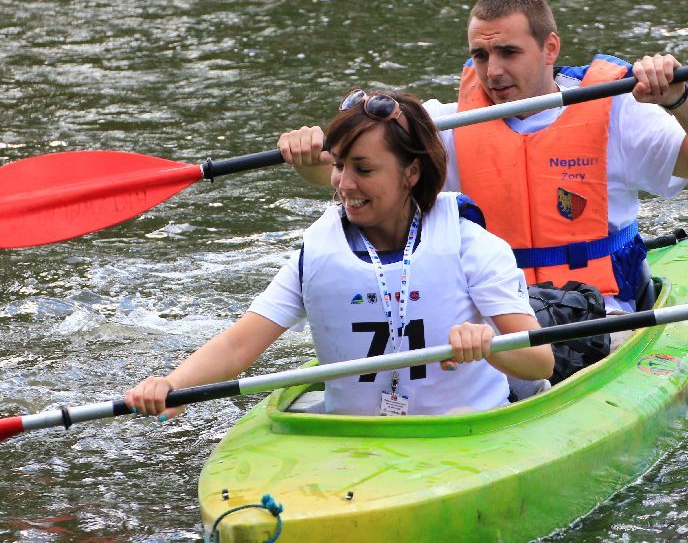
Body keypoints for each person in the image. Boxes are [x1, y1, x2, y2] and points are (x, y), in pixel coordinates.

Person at [278, 0, 688, 313]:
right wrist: (310, 160)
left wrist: (680, 99)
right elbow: (351, 178)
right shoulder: (450, 123)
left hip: (603, 313)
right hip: (491, 313)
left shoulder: (616, 110)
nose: (493, 71)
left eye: (508, 52)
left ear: (549, 48)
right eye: (480, 56)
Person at [127, 90, 553, 418]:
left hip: (468, 430)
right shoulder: (317, 251)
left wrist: (491, 344)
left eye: (364, 170)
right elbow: (239, 346)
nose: (344, 185)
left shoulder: (470, 244)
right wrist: (172, 385)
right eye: (340, 166)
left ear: (412, 172)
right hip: (351, 436)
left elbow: (539, 361)